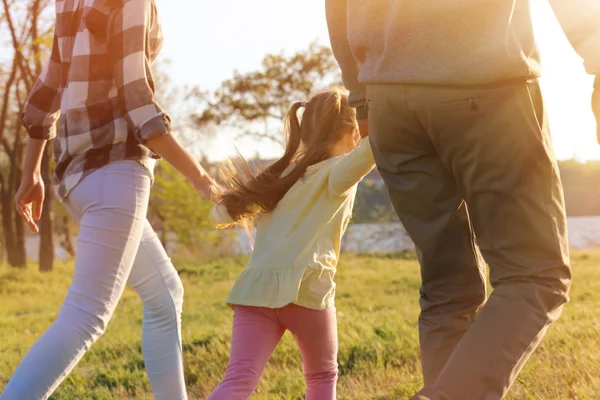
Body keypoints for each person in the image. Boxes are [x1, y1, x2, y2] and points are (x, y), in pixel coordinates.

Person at [326, 1, 599, 399]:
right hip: (485, 84)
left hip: (389, 102)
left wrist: (362, 96)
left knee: (446, 287)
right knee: (534, 275)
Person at [1, 0, 218, 399]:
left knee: (165, 295)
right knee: (86, 317)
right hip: (115, 173)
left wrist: (31, 172)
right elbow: (139, 101)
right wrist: (204, 181)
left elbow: (46, 91)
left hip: (76, 178)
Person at [206, 89, 374, 400]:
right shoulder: (336, 173)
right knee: (322, 376)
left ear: (304, 133)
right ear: (352, 133)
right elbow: (373, 149)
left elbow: (219, 213)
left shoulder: (280, 176)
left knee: (239, 379)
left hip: (257, 292)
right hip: (306, 291)